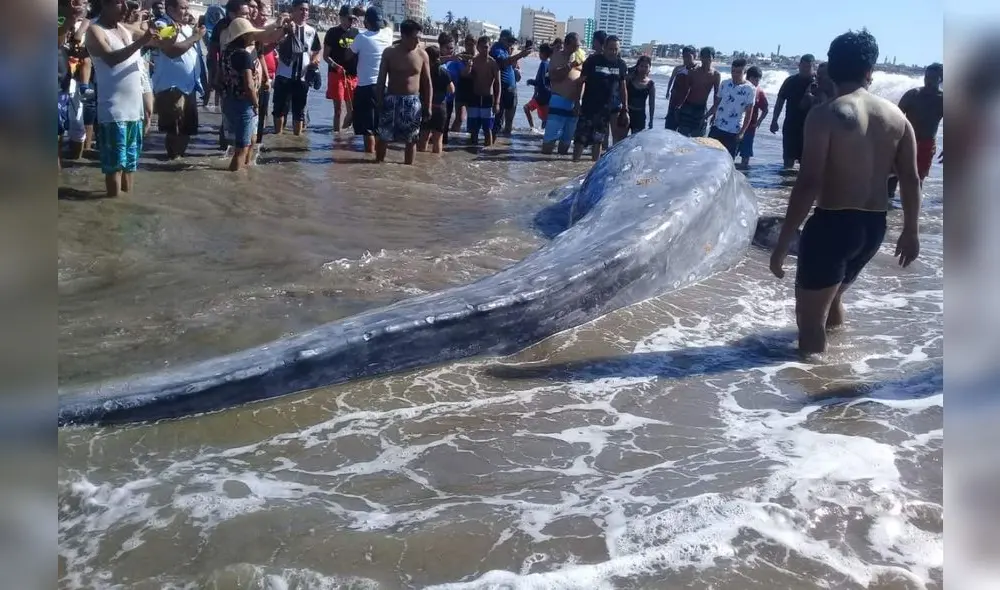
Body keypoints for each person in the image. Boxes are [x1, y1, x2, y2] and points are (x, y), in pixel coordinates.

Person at [768, 29, 921, 355]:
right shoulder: (898, 118)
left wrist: (783, 242)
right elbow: (910, 178)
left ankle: (816, 393)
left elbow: (808, 182)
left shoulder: (826, 115)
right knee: (834, 296)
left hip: (833, 225)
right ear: (870, 71)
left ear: (833, 66)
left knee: (809, 321)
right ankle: (840, 364)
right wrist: (911, 231)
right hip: (873, 228)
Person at [84, 0, 157, 197]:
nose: (125, 8)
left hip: (134, 110)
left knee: (131, 164)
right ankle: (113, 209)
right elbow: (111, 58)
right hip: (113, 110)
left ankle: (125, 207)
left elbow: (158, 41)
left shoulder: (125, 29)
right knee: (114, 166)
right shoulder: (95, 30)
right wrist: (142, 41)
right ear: (105, 5)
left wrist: (169, 33)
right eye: (119, 3)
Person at [151, 0, 206, 159]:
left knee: (187, 128)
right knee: (174, 130)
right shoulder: (162, 25)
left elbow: (195, 56)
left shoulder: (187, 27)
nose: (187, 11)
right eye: (183, 8)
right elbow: (171, 51)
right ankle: (172, 160)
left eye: (188, 7)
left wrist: (203, 81)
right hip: (172, 86)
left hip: (189, 85)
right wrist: (195, 37)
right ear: (170, 9)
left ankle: (177, 162)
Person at [374, 19, 431, 165]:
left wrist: (428, 106)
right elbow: (381, 80)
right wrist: (379, 101)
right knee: (383, 137)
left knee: (411, 140)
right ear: (404, 36)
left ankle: (408, 171)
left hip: (412, 102)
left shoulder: (422, 55)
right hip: (391, 99)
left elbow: (427, 83)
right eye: (415, 37)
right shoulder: (389, 52)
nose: (418, 41)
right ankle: (377, 167)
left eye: (419, 37)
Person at [574, 35, 628, 162]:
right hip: (588, 108)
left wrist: (625, 108)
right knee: (580, 139)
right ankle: (574, 164)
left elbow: (623, 88)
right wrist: (577, 102)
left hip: (605, 111)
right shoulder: (592, 61)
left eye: (616, 49)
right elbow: (580, 82)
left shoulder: (621, 65)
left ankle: (593, 167)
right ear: (604, 48)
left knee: (598, 141)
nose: (613, 52)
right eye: (610, 49)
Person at [347, 5, 393, 155]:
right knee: (380, 127)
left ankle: (368, 158)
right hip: (384, 87)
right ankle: (378, 160)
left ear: (367, 22)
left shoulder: (361, 37)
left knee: (368, 129)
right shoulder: (388, 34)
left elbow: (347, 56)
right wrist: (366, 15)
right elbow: (387, 24)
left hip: (366, 87)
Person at [219, 17, 262, 171]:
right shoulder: (244, 55)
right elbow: (249, 85)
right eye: (251, 34)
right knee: (241, 148)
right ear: (243, 36)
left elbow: (221, 77)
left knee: (246, 141)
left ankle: (244, 171)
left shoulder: (226, 53)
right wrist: (256, 104)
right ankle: (235, 180)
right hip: (244, 103)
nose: (253, 37)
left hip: (229, 100)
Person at [272, 0, 320, 136]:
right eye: (301, 9)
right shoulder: (285, 27)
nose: (304, 12)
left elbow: (316, 50)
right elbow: (273, 42)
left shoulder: (311, 31)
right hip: (284, 76)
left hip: (302, 77)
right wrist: (283, 27)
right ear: (293, 10)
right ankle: (278, 139)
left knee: (299, 112)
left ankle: (297, 141)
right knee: (280, 110)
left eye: (306, 10)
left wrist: (315, 61)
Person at [897, 63, 943, 185]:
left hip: (926, 145)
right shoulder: (912, 95)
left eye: (933, 79)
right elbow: (895, 119)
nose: (928, 82)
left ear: (941, 79)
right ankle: (889, 203)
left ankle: (913, 204)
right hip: (905, 141)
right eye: (926, 77)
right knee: (893, 176)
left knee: (917, 180)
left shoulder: (942, 100)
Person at [770, 54, 817, 170]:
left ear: (813, 67)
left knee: (806, 162)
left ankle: (797, 186)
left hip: (810, 128)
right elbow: (780, 101)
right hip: (791, 125)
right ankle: (784, 186)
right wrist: (774, 120)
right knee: (788, 160)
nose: (805, 69)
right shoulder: (790, 81)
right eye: (803, 66)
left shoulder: (818, 83)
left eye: (808, 66)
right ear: (799, 65)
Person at [542, 32, 582, 155]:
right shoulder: (557, 56)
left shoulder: (579, 58)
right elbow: (554, 77)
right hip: (559, 100)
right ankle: (543, 168)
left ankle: (559, 171)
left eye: (578, 46)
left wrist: (578, 102)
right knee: (549, 141)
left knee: (566, 142)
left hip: (574, 103)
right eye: (574, 46)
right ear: (566, 44)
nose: (576, 49)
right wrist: (570, 66)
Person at [707, 57, 756, 158]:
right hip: (717, 127)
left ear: (744, 72)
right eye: (733, 71)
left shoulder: (749, 89)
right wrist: (706, 116)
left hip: (734, 131)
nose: (735, 74)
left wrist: (742, 132)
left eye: (738, 72)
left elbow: (749, 113)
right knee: (709, 156)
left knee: (728, 160)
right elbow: (717, 104)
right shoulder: (725, 84)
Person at [323, 4, 359, 133]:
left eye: (353, 19)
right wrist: (336, 66)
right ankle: (336, 136)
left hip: (352, 75)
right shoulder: (332, 33)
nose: (351, 22)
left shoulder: (356, 33)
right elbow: (325, 56)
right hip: (336, 74)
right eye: (349, 19)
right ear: (341, 18)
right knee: (338, 109)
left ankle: (344, 134)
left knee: (353, 110)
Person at [489, 30, 532, 137]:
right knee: (498, 120)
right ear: (502, 39)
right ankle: (493, 143)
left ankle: (505, 142)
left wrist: (517, 68)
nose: (511, 44)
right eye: (509, 41)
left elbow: (512, 66)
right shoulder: (497, 49)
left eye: (512, 42)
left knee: (509, 121)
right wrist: (521, 55)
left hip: (512, 89)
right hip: (501, 89)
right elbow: (503, 62)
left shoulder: (507, 50)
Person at [675, 47, 720, 138]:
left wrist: (714, 113)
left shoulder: (715, 75)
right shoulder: (693, 72)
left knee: (698, 139)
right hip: (688, 106)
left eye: (708, 57)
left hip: (701, 109)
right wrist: (678, 106)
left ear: (713, 58)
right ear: (700, 58)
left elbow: (717, 95)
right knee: (682, 136)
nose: (706, 60)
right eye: (703, 57)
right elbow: (685, 91)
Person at [465, 35, 501, 147]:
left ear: (490, 47)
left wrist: (497, 103)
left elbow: (498, 84)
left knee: (487, 129)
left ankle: (486, 157)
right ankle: (470, 153)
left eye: (487, 47)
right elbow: (466, 76)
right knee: (473, 130)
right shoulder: (473, 61)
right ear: (478, 47)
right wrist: (468, 67)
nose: (485, 49)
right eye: (482, 47)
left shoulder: (493, 63)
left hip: (487, 99)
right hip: (474, 97)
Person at [417, 45, 454, 154]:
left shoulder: (423, 71)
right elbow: (451, 90)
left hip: (425, 106)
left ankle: (421, 165)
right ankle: (435, 165)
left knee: (423, 138)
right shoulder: (444, 72)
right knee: (438, 140)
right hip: (440, 108)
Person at [736, 65, 769, 169]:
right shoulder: (741, 88)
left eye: (758, 79)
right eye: (754, 79)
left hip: (750, 128)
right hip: (736, 125)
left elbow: (765, 109)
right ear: (747, 78)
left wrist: (759, 121)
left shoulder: (759, 92)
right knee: (731, 151)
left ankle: (744, 172)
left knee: (746, 155)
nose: (757, 81)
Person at [449, 34, 477, 134]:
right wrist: (469, 66)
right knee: (459, 118)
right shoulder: (460, 57)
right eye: (467, 44)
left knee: (473, 121)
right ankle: (452, 138)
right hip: (461, 90)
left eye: (471, 44)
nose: (469, 46)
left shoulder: (479, 58)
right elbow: (464, 74)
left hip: (475, 92)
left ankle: (469, 143)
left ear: (475, 44)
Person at [665, 45, 696, 130]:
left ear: (695, 56)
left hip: (687, 102)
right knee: (669, 126)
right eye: (684, 56)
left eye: (688, 56)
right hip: (674, 99)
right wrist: (668, 91)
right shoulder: (678, 68)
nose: (685, 59)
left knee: (684, 128)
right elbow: (671, 79)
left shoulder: (697, 70)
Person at [523, 43, 552, 132]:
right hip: (548, 94)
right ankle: (539, 135)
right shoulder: (549, 63)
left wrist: (530, 81)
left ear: (542, 53)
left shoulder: (543, 63)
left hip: (542, 95)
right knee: (545, 120)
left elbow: (540, 81)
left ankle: (532, 128)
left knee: (526, 108)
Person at [626, 55, 655, 135]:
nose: (643, 69)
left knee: (635, 143)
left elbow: (651, 103)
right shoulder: (629, 79)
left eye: (646, 67)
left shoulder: (650, 84)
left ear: (649, 69)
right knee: (621, 141)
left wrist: (651, 120)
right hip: (627, 113)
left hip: (640, 116)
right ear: (637, 66)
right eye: (641, 66)